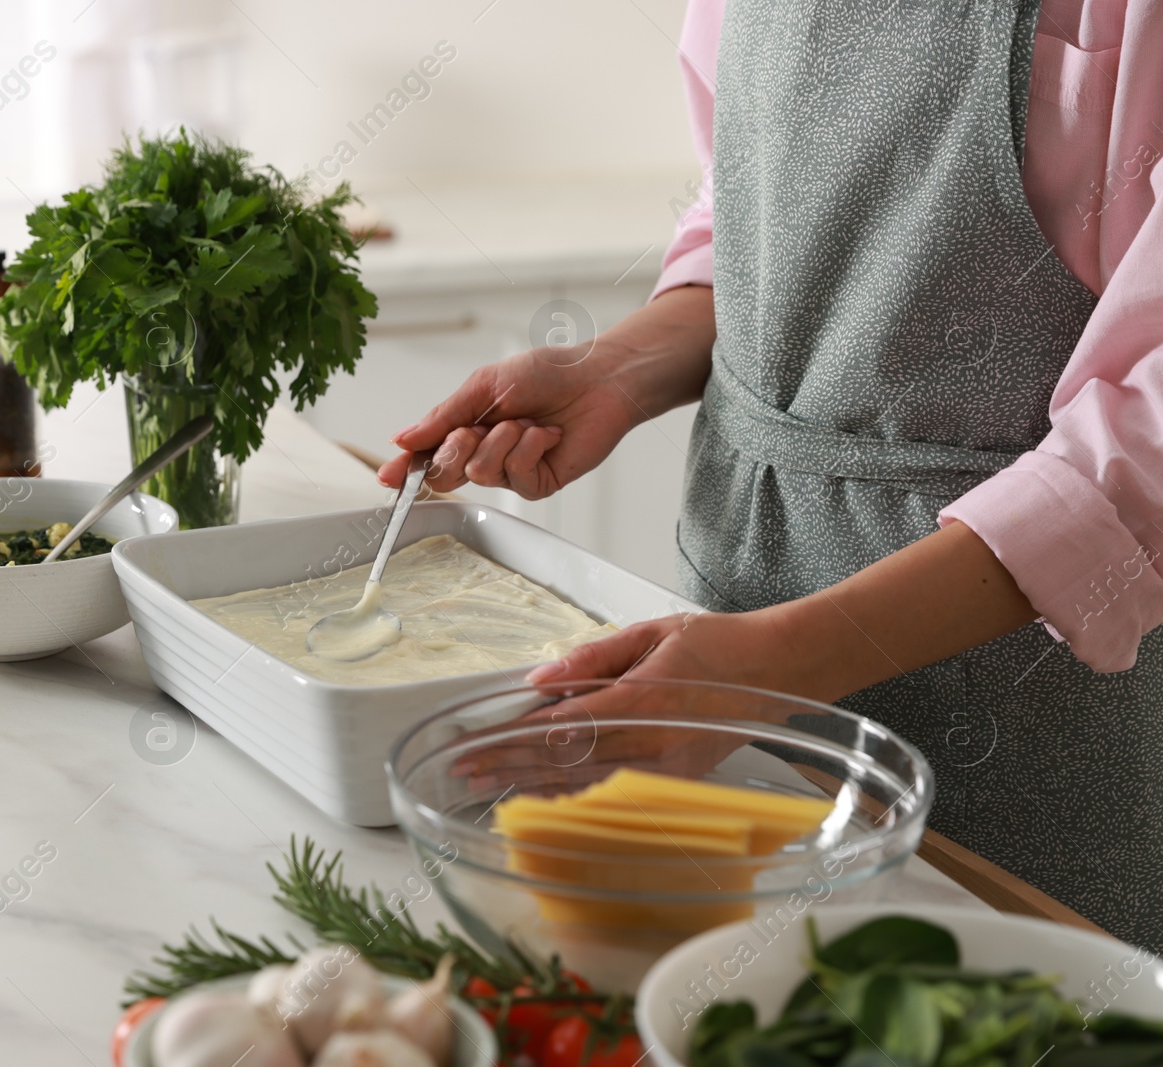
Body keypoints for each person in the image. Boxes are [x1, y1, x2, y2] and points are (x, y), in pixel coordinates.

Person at [379, 0, 1163, 948]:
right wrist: (617, 370)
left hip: (1029, 708)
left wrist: (776, 664)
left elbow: (1144, 437)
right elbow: (749, 204)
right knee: (730, 999)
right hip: (719, 636)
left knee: (983, 1014)